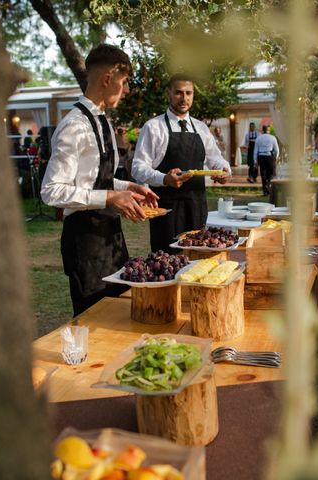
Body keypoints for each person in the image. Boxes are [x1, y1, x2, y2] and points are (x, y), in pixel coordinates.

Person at [40, 44, 158, 317]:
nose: (127, 90)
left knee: (119, 316)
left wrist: (128, 187)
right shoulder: (74, 127)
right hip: (85, 243)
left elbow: (94, 180)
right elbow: (52, 191)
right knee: (95, 322)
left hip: (111, 237)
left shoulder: (103, 122)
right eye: (125, 81)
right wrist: (109, 197)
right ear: (108, 79)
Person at [132, 74, 231, 253]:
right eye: (178, 93)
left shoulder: (201, 128)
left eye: (188, 93)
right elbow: (138, 167)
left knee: (197, 257)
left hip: (197, 206)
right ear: (168, 93)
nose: (184, 98)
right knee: (168, 260)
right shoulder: (153, 127)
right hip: (167, 211)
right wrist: (164, 178)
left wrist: (223, 169)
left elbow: (215, 158)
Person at [253, 125, 279, 196]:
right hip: (269, 157)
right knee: (270, 173)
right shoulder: (272, 138)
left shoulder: (258, 138)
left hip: (261, 157)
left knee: (263, 174)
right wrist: (276, 158)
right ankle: (268, 185)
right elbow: (277, 150)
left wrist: (255, 161)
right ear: (269, 130)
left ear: (262, 130)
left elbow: (255, 151)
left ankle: (265, 191)